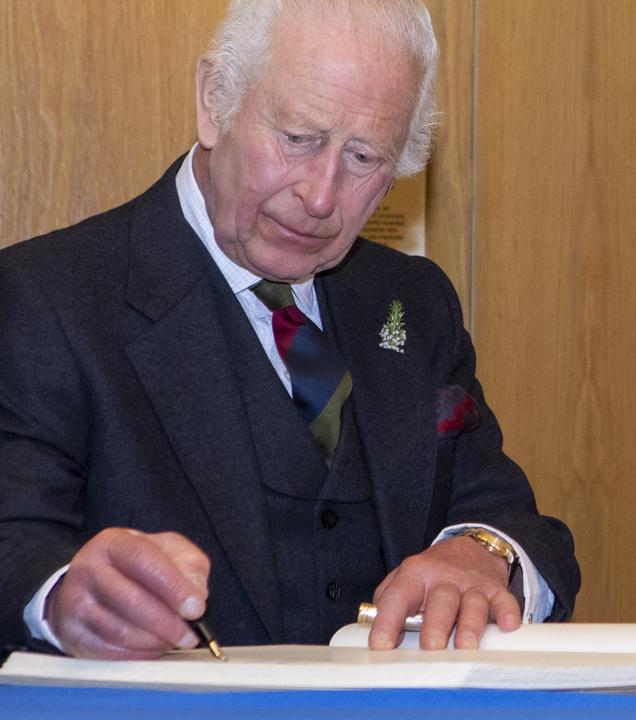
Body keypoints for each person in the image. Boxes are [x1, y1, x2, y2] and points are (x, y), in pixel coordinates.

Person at [0, 0, 578, 661]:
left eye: (364, 157)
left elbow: (513, 520)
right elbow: (13, 543)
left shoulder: (410, 305)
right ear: (215, 100)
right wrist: (64, 600)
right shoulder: (48, 298)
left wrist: (485, 554)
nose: (322, 196)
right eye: (299, 139)